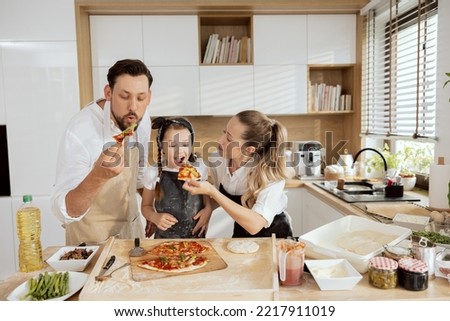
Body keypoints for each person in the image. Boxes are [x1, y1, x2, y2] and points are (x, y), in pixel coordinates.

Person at [51, 59, 154, 245]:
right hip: (89, 244)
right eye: (124, 96)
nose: (133, 107)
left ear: (149, 97)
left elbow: (138, 175)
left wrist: (151, 207)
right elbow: (65, 210)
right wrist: (98, 176)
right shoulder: (80, 131)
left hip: (131, 236)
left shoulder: (141, 118)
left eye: (140, 98)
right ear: (108, 93)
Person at [183, 110, 293, 238]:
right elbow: (225, 194)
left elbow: (255, 225)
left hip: (274, 238)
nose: (220, 140)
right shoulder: (218, 159)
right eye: (224, 132)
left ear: (249, 150)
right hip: (241, 231)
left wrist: (212, 191)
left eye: (229, 139)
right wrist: (208, 208)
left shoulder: (271, 175)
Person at [141, 117, 212, 238]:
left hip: (196, 239)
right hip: (163, 240)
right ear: (161, 147)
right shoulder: (153, 172)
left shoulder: (200, 168)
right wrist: (154, 217)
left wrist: (208, 211)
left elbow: (207, 201)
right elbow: (145, 206)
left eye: (185, 144)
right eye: (172, 145)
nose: (179, 150)